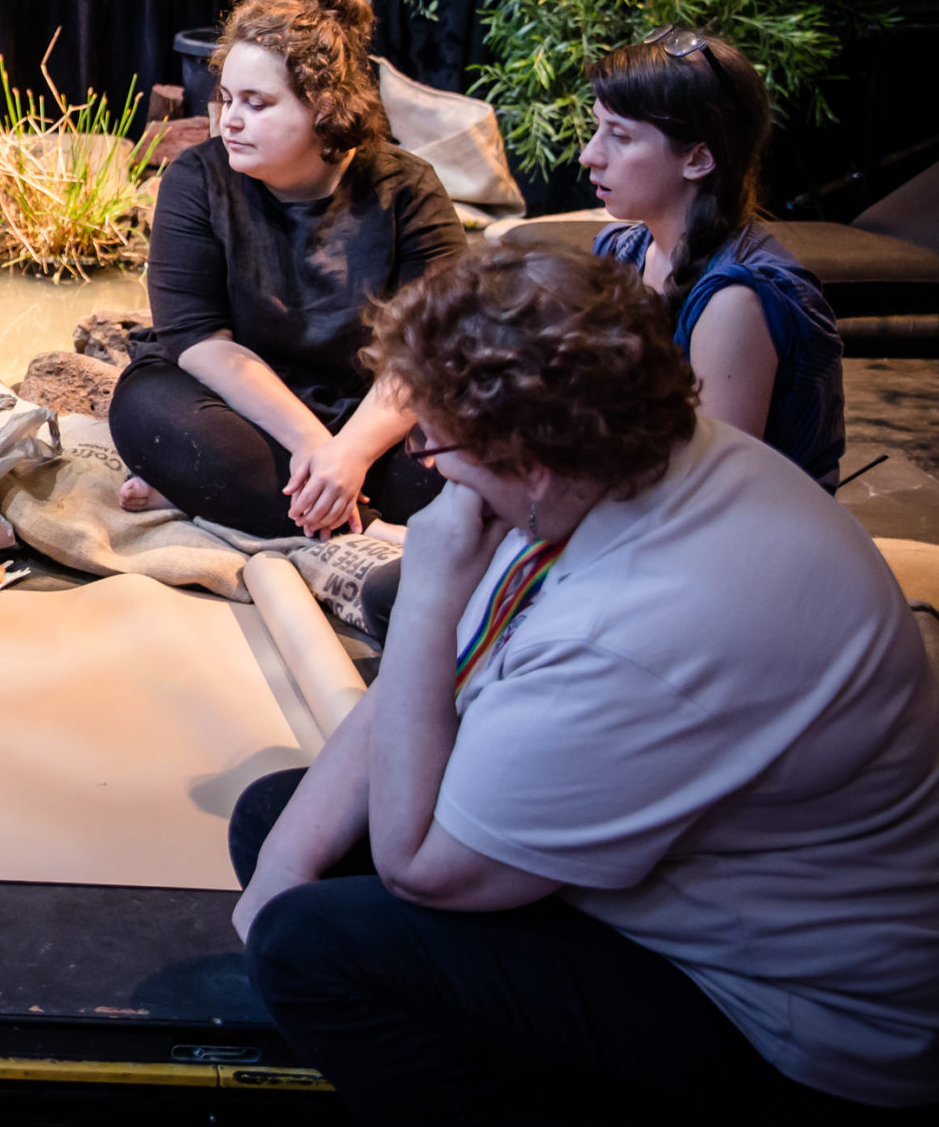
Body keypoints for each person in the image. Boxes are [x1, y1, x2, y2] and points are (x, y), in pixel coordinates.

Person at [229, 247, 939, 1123]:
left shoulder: (639, 627)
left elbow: (420, 868)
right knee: (280, 828)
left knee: (312, 949)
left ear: (533, 463)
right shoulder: (628, 459)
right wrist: (281, 872)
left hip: (796, 1034)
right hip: (685, 899)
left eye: (435, 442)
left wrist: (430, 595)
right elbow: (444, 683)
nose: (429, 464)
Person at [111, 0, 464, 539]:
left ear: (324, 107)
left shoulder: (409, 188)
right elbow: (198, 341)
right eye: (225, 99)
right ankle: (359, 527)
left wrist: (351, 451)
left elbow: (434, 348)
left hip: (373, 409)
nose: (230, 120)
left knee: (477, 444)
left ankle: (265, 505)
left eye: (257, 102)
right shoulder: (196, 180)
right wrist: (317, 448)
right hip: (241, 406)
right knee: (147, 413)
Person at [582, 28, 844, 487]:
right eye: (596, 127)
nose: (589, 155)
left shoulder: (737, 300)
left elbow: (708, 495)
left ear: (699, 159)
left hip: (737, 540)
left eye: (620, 136)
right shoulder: (618, 252)